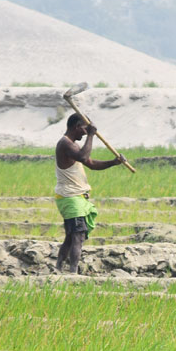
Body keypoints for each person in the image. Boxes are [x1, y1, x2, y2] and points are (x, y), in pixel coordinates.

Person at [54, 113, 126, 273]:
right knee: (78, 237)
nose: (85, 133)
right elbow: (84, 156)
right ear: (76, 127)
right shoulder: (66, 144)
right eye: (84, 129)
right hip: (71, 198)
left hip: (73, 198)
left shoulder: (72, 145)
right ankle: (73, 272)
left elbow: (91, 163)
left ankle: (58, 268)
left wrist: (114, 163)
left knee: (71, 237)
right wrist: (92, 135)